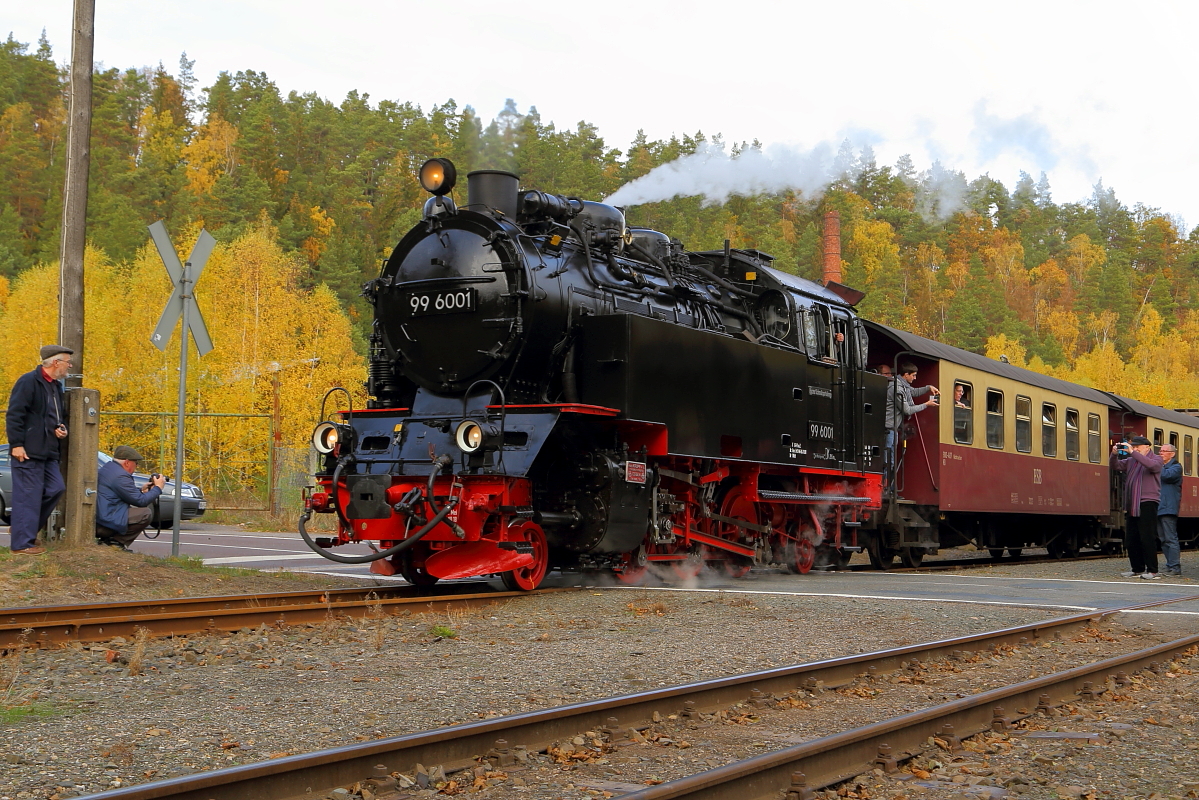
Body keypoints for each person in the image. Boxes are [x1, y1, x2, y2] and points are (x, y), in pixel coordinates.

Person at [4, 345, 72, 555]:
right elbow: (14, 415)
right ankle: (22, 544)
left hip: (49, 450)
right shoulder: (28, 382)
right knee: (28, 496)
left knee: (56, 488)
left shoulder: (56, 387)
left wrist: (60, 429)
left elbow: (54, 416)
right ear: (55, 363)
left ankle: (24, 528)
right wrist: (16, 444)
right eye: (68, 362)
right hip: (27, 451)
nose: (70, 366)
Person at [1111, 436, 1164, 580]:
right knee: (1131, 539)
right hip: (1132, 502)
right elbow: (1115, 466)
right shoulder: (1131, 460)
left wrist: (1133, 453)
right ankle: (1137, 568)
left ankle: (1153, 570)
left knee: (1147, 537)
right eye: (1133, 447)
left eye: (1137, 447)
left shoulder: (1157, 459)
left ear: (1147, 446)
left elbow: (1152, 466)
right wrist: (1114, 455)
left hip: (1148, 501)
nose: (1134, 449)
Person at [96, 445, 166, 550]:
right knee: (145, 514)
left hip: (101, 518)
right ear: (127, 462)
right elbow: (141, 501)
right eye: (136, 463)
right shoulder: (120, 476)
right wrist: (158, 488)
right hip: (105, 522)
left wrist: (141, 491)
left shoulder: (109, 469)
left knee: (138, 512)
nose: (136, 466)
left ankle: (109, 541)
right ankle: (116, 543)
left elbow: (121, 494)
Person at [1157, 443, 1182, 577]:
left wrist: (1157, 465)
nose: (1160, 453)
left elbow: (1166, 476)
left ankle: (1175, 567)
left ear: (1172, 454)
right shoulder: (1163, 467)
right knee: (1163, 539)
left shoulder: (1176, 467)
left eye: (1164, 451)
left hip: (1168, 507)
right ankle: (1169, 565)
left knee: (1170, 538)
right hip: (1159, 507)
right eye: (1160, 451)